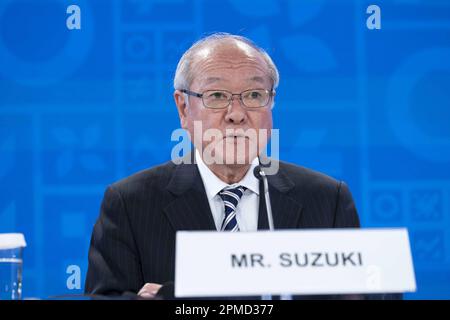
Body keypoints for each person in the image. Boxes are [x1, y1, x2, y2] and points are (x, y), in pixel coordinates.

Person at [85, 33, 363, 299]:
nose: (237, 115)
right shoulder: (129, 204)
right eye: (216, 96)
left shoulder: (328, 200)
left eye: (254, 95)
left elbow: (369, 292)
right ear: (183, 108)